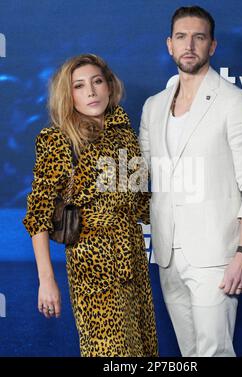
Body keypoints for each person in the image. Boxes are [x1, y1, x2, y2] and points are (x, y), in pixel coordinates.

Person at [139, 6, 242, 357]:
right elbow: (142, 175)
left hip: (216, 255)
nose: (189, 45)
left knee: (214, 351)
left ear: (212, 46)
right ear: (169, 45)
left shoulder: (235, 103)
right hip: (167, 251)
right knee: (189, 353)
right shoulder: (153, 106)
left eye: (199, 37)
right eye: (181, 37)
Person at [23, 54, 158, 357]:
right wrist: (46, 280)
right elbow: (38, 215)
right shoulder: (57, 139)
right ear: (67, 95)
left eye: (97, 82)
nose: (91, 92)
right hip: (92, 261)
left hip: (133, 256)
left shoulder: (125, 134)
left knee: (144, 351)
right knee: (110, 353)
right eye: (79, 86)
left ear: (110, 86)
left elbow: (139, 203)